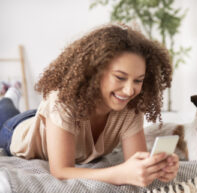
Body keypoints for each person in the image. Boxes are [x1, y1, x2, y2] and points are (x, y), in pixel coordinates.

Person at [0, 24, 179, 187]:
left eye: (138, 80)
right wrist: (119, 174)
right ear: (96, 71)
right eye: (120, 77)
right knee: (5, 110)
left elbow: (136, 162)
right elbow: (61, 171)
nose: (129, 90)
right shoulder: (63, 100)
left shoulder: (131, 108)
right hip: (17, 130)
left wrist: (156, 168)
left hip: (52, 122)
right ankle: (9, 96)